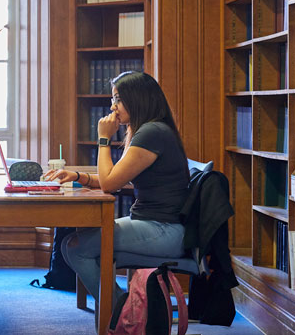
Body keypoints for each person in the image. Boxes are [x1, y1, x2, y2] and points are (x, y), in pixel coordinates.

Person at [46, 71, 190, 302]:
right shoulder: (149, 130)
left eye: (118, 99)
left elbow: (110, 183)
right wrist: (79, 176)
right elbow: (118, 178)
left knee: (75, 248)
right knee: (74, 242)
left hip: (164, 231)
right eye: (113, 100)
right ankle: (122, 307)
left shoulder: (152, 133)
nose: (113, 107)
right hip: (155, 225)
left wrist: (103, 139)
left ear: (137, 99)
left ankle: (118, 309)